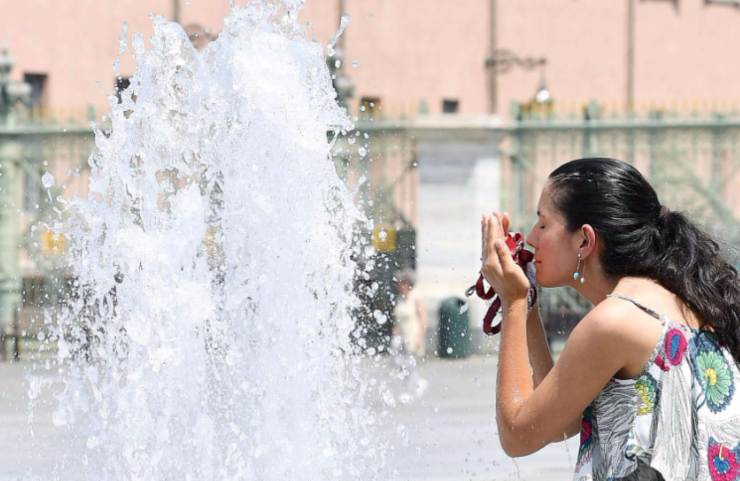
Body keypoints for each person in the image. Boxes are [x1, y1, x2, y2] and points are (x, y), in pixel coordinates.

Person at [480, 157, 739, 480]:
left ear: (585, 241)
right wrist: (527, 305)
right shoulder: (677, 301)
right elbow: (561, 422)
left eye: (543, 223)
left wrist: (513, 301)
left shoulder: (615, 320)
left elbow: (517, 435)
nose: (531, 237)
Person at [391, 268, 428, 401]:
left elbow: (423, 318)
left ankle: (409, 388)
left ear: (408, 283)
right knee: (401, 362)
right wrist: (395, 331)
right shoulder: (400, 298)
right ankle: (417, 383)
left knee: (409, 363)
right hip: (401, 335)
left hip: (412, 334)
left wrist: (420, 336)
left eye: (402, 283)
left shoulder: (416, 297)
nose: (399, 286)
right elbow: (399, 317)